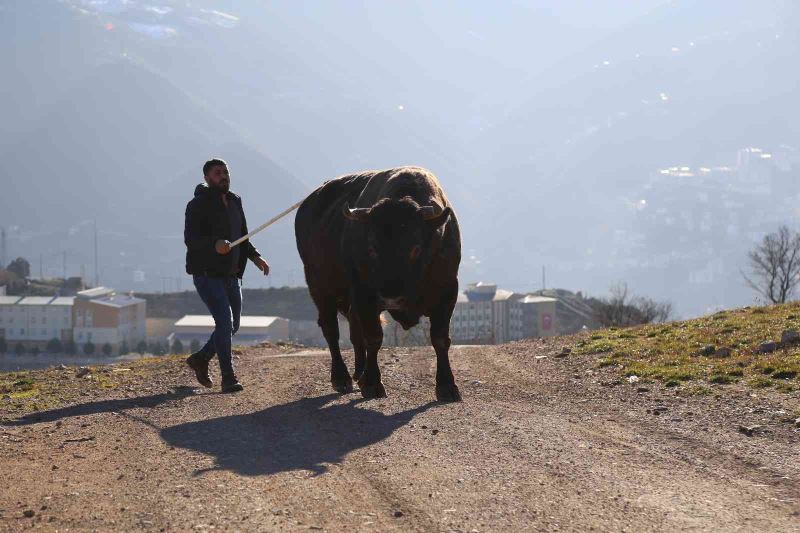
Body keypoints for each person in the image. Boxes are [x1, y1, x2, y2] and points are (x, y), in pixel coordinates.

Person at [183, 158, 270, 392]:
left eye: (226, 172)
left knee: (233, 325)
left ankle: (201, 359)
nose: (224, 176)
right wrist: (215, 244)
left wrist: (255, 257)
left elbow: (242, 235)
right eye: (218, 173)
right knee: (224, 322)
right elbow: (191, 240)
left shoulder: (235, 201)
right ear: (207, 178)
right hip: (207, 275)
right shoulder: (197, 205)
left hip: (232, 275)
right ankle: (228, 377)